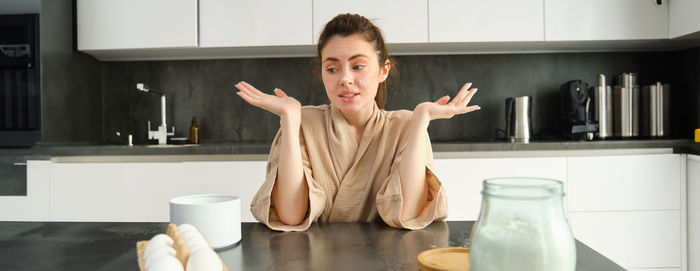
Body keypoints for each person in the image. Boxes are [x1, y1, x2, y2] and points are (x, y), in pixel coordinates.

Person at [234, 13, 480, 231]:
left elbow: (409, 214)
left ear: (383, 71)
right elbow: (290, 216)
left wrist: (421, 119)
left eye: (358, 66)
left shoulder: (406, 125)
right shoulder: (301, 122)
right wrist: (289, 119)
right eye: (332, 69)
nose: (345, 79)